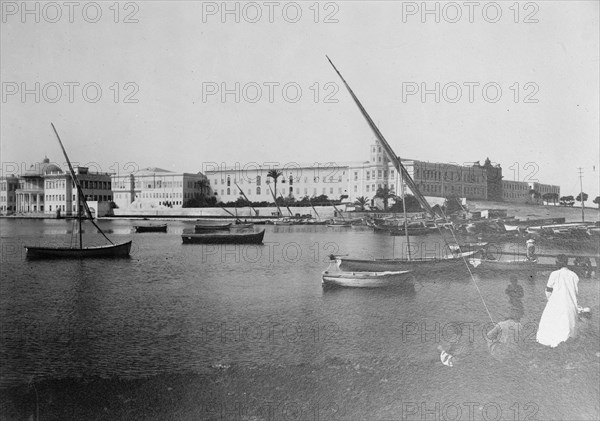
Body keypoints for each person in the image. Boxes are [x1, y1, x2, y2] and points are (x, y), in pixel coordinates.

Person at [536, 254, 579, 348]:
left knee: (552, 325)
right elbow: (575, 292)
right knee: (567, 326)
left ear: (558, 263)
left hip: (556, 303)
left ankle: (553, 345)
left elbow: (548, 290)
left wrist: (551, 300)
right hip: (570, 304)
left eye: (556, 262)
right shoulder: (574, 275)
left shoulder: (555, 274)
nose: (555, 263)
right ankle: (565, 344)